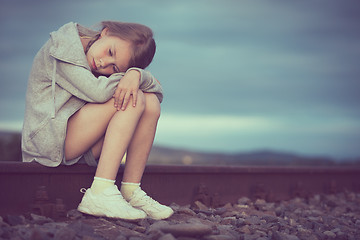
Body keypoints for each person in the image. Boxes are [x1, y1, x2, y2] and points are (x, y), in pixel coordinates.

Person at [21, 21, 173, 220]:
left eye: (114, 67)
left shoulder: (97, 54)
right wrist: (135, 77)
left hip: (76, 137)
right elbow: (99, 92)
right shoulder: (62, 49)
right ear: (105, 33)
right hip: (48, 141)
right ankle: (100, 192)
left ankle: (130, 190)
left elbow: (158, 93)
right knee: (133, 100)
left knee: (150, 101)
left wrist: (135, 75)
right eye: (110, 52)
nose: (103, 64)